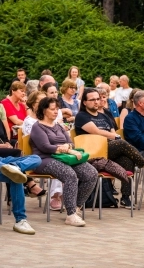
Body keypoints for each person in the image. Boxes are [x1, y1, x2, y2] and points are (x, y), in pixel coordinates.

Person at [30, 97, 98, 226]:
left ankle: (75, 206)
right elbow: (45, 147)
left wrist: (69, 148)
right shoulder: (37, 127)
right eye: (52, 109)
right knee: (70, 175)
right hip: (44, 159)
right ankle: (71, 215)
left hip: (64, 158)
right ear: (44, 110)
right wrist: (64, 149)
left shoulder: (58, 126)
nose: (56, 111)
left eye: (57, 109)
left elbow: (70, 143)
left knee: (91, 173)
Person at [74, 88, 144, 209]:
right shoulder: (82, 116)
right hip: (92, 151)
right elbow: (97, 132)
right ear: (85, 102)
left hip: (109, 148)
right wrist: (114, 136)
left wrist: (114, 136)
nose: (96, 102)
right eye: (92, 100)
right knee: (122, 143)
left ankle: (125, 197)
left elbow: (114, 133)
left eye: (98, 99)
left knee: (127, 160)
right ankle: (143, 163)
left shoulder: (104, 115)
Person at [22, 91, 64, 210]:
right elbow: (40, 142)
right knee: (58, 164)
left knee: (69, 162)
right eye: (40, 101)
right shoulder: (29, 121)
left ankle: (70, 196)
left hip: (55, 151)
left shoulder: (52, 121)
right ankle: (55, 196)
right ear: (33, 104)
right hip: (37, 155)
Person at [0, 154, 42, 234]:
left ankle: (15, 167)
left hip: (3, 159)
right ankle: (20, 219)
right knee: (16, 176)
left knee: (36, 158)